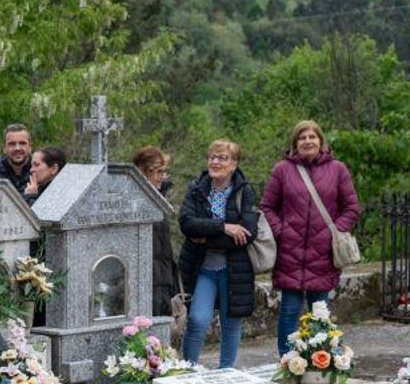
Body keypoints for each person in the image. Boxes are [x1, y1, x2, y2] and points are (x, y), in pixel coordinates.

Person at [261, 120, 361, 357]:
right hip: (290, 253)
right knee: (289, 311)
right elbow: (267, 207)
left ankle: (320, 361)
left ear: (320, 141)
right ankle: (287, 361)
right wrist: (281, 231)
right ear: (295, 143)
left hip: (323, 254)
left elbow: (351, 208)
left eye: (312, 137)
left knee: (320, 312)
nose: (308, 141)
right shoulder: (282, 170)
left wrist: (334, 232)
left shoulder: (338, 170)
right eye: (302, 137)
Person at [178, 140, 260, 369]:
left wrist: (206, 235)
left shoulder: (245, 191)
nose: (214, 162)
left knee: (231, 323)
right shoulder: (197, 188)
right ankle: (187, 370)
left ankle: (226, 373)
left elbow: (248, 233)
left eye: (222, 158)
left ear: (234, 164)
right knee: (197, 320)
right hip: (203, 268)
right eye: (212, 157)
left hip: (235, 269)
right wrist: (224, 228)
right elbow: (186, 223)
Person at [133, 146, 181, 316]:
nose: (163, 177)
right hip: (144, 281)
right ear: (143, 171)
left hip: (162, 279)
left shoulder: (159, 199)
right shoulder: (132, 202)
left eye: (164, 172)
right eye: (159, 172)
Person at [0, 124, 34, 195]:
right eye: (12, 144)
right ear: (4, 148)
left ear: (30, 147)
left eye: (22, 143)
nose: (17, 148)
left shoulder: (40, 175)